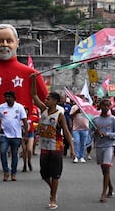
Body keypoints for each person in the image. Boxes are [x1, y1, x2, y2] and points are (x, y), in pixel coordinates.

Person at [31, 74, 75, 210]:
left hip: (56, 148)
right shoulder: (43, 110)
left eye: (48, 99)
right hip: (44, 148)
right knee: (44, 174)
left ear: (55, 101)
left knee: (55, 174)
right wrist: (33, 80)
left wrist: (72, 148)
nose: (45, 100)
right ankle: (53, 189)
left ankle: (53, 197)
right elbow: (34, 95)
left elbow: (66, 132)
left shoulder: (60, 116)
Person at [0, 90, 28, 181]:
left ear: (13, 98)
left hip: (16, 135)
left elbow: (25, 121)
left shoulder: (19, 107)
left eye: (9, 97)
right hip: (4, 134)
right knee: (2, 152)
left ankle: (13, 173)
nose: (7, 98)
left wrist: (25, 135)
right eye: (6, 97)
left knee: (14, 154)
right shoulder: (1, 107)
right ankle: (6, 172)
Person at [93, 98, 115, 203]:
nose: (105, 108)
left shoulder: (113, 119)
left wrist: (107, 134)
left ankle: (103, 193)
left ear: (110, 106)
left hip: (109, 146)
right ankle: (110, 187)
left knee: (106, 166)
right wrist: (95, 132)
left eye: (107, 106)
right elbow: (91, 133)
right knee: (104, 170)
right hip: (99, 146)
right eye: (103, 105)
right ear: (100, 106)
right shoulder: (95, 120)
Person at [70, 97, 90, 163]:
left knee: (83, 143)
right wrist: (77, 111)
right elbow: (71, 116)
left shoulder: (88, 107)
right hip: (76, 128)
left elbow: (91, 116)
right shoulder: (74, 107)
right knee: (76, 141)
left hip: (85, 128)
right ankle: (76, 156)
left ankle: (82, 156)